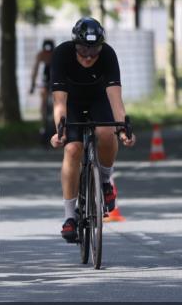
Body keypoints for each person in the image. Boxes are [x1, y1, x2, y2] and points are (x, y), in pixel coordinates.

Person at [49, 17, 135, 244]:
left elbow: (115, 99)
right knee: (72, 149)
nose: (88, 56)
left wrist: (124, 128)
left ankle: (106, 181)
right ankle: (70, 216)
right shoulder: (61, 55)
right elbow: (59, 102)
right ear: (74, 44)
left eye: (94, 50)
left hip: (99, 99)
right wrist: (60, 130)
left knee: (107, 132)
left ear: (101, 46)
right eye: (82, 49)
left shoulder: (108, 55)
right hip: (72, 103)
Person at [30, 39, 55, 137]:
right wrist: (32, 83)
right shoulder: (41, 55)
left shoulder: (56, 54)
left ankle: (55, 122)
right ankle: (43, 123)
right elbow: (35, 69)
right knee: (43, 100)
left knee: (56, 100)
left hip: (55, 76)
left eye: (50, 52)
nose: (48, 54)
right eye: (46, 52)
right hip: (46, 78)